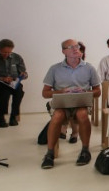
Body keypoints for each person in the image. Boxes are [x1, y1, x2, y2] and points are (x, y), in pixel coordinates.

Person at [40, 39, 101, 169]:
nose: (75, 49)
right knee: (57, 116)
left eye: (76, 46)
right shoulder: (55, 69)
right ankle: (50, 153)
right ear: (63, 51)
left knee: (82, 114)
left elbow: (98, 92)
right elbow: (45, 93)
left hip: (81, 102)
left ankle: (85, 150)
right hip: (62, 104)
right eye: (70, 47)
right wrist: (62, 91)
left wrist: (85, 91)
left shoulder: (89, 68)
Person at [0, 38, 27, 127]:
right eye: (4, 52)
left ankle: (13, 116)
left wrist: (24, 75)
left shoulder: (17, 57)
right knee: (5, 92)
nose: (7, 55)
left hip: (13, 83)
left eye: (9, 52)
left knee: (19, 91)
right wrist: (1, 78)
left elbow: (24, 73)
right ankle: (1, 117)